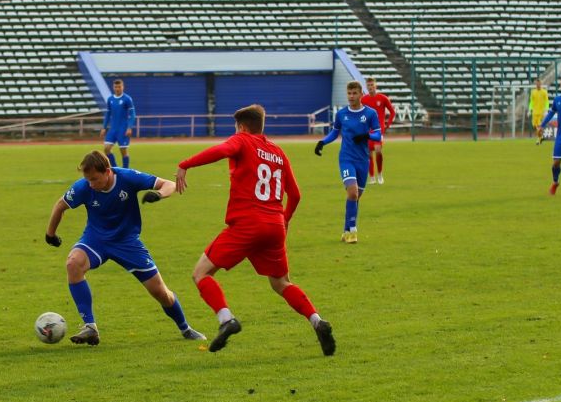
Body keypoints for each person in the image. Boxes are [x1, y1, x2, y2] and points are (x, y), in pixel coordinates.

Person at [175, 104, 336, 357]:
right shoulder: (278, 152)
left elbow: (221, 150)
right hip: (274, 226)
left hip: (248, 224)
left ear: (241, 127)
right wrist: (285, 220)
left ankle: (227, 319)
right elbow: (295, 194)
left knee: (201, 273)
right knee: (282, 283)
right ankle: (317, 320)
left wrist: (186, 163)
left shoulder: (242, 141)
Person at [45, 151, 205, 346]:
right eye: (88, 179)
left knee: (160, 292)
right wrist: (50, 234)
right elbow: (60, 206)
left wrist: (159, 194)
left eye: (94, 179)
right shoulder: (84, 187)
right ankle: (90, 327)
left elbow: (168, 184)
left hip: (127, 242)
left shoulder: (127, 177)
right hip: (96, 239)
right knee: (73, 263)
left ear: (108, 171)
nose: (91, 184)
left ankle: (185, 328)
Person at [314, 81, 382, 244]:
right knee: (352, 192)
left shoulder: (370, 113)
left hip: (363, 160)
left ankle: (346, 230)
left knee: (356, 197)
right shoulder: (342, 114)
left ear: (361, 95)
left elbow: (378, 135)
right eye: (349, 93)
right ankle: (352, 231)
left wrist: (366, 136)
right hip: (346, 159)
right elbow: (335, 132)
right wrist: (322, 142)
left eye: (354, 93)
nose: (351, 97)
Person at [361, 77, 396, 184]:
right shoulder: (363, 99)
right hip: (367, 130)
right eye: (369, 85)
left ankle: (380, 174)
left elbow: (392, 112)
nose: (370, 87)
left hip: (378, 130)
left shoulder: (383, 98)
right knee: (368, 154)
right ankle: (372, 177)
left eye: (372, 85)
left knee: (378, 150)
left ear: (376, 86)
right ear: (366, 87)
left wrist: (387, 125)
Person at [100, 79, 136, 169]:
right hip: (113, 129)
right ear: (113, 87)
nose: (117, 89)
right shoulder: (110, 99)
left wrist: (129, 127)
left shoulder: (127, 99)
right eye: (116, 87)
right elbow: (108, 114)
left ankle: (125, 171)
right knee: (106, 149)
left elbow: (132, 114)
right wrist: (104, 127)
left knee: (123, 150)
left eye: (119, 87)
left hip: (123, 129)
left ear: (123, 87)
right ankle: (115, 168)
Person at [529, 78, 550, 145]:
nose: (538, 84)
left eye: (539, 83)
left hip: (541, 112)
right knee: (535, 126)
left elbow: (547, 101)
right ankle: (541, 137)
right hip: (534, 112)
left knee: (539, 126)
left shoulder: (544, 92)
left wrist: (546, 109)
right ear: (535, 84)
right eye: (536, 83)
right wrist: (530, 109)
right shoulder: (533, 92)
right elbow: (531, 101)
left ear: (541, 84)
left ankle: (538, 139)